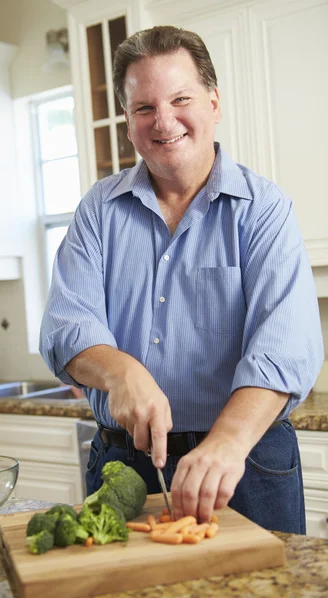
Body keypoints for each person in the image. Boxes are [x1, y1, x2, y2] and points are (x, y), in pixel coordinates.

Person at [39, 25, 324, 534]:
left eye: (180, 99)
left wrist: (227, 441)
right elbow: (66, 328)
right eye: (144, 108)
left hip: (245, 462)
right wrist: (119, 369)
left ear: (213, 103)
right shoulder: (97, 212)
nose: (163, 121)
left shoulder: (265, 211)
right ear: (128, 122)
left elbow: (286, 350)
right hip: (124, 465)